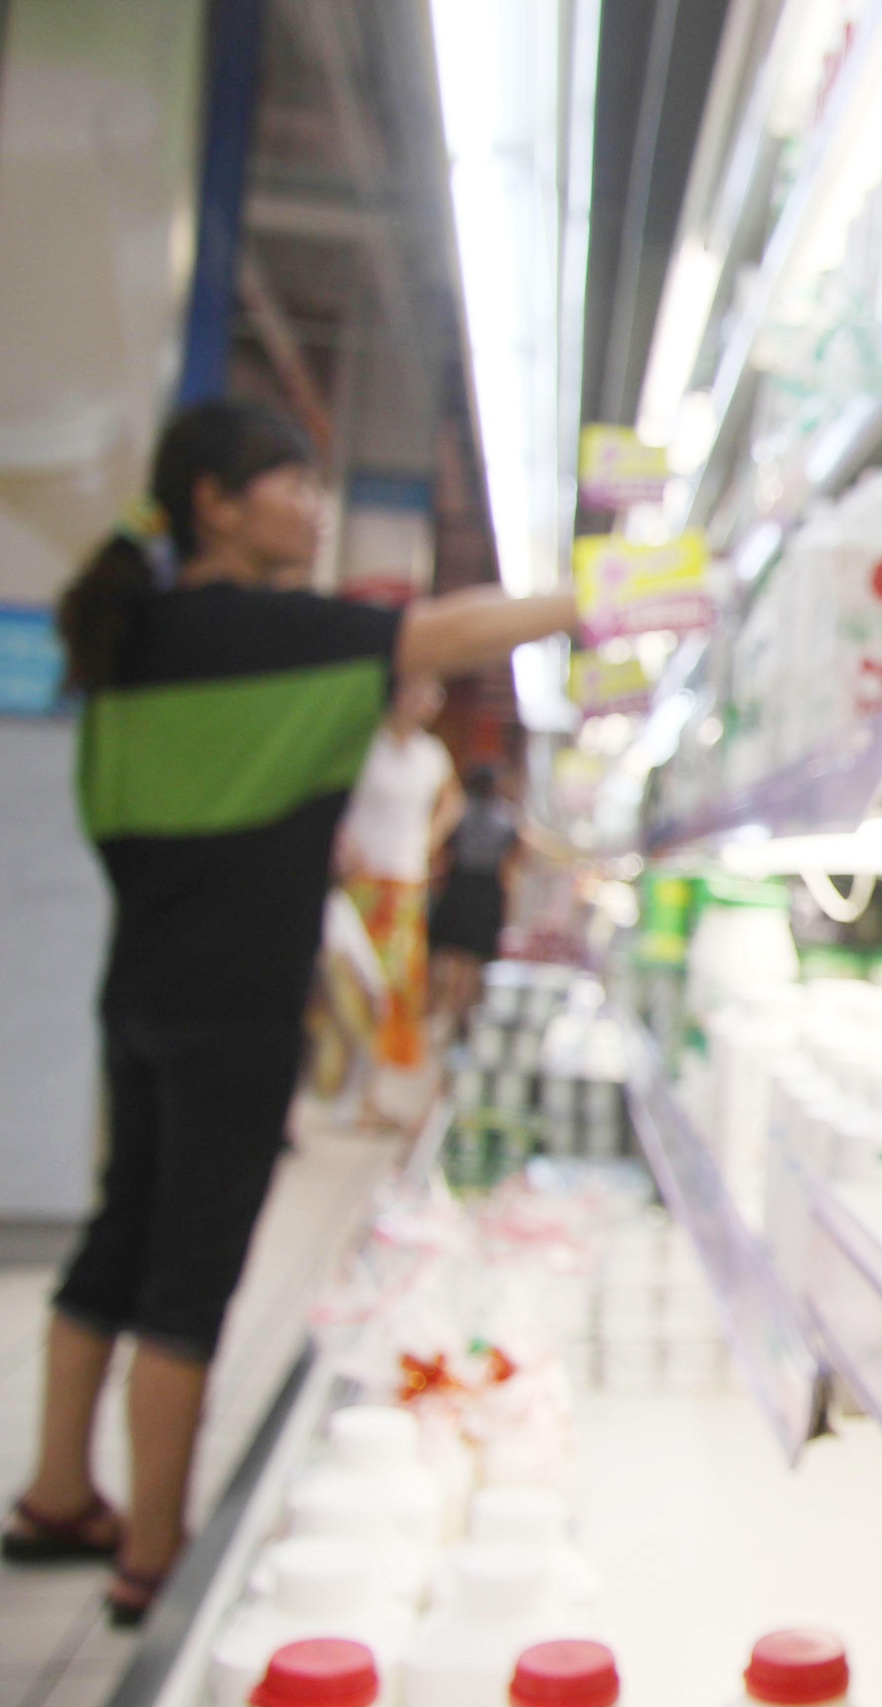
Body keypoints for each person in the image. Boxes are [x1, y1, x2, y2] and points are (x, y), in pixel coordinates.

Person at [0, 400, 577, 1624]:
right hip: (235, 1003)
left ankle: (57, 1492)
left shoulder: (132, 634)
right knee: (189, 1277)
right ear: (214, 500)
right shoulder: (260, 633)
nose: (310, 507)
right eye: (288, 485)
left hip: (143, 983)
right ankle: (152, 1553)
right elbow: (437, 634)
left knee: (117, 1238)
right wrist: (600, 595)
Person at [337, 673, 461, 1094]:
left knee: (396, 991)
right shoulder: (365, 743)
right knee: (353, 985)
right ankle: (345, 1089)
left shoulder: (432, 754)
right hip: (361, 881)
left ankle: (368, 1090)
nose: (428, 702)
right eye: (421, 691)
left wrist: (429, 839)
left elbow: (451, 802)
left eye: (434, 694)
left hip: (405, 882)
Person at [428, 764, 517, 1029]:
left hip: (459, 885)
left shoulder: (460, 813)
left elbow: (444, 850)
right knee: (473, 961)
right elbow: (515, 857)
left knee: (446, 955)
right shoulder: (504, 818)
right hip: (485, 889)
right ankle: (461, 1015)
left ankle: (438, 1012)